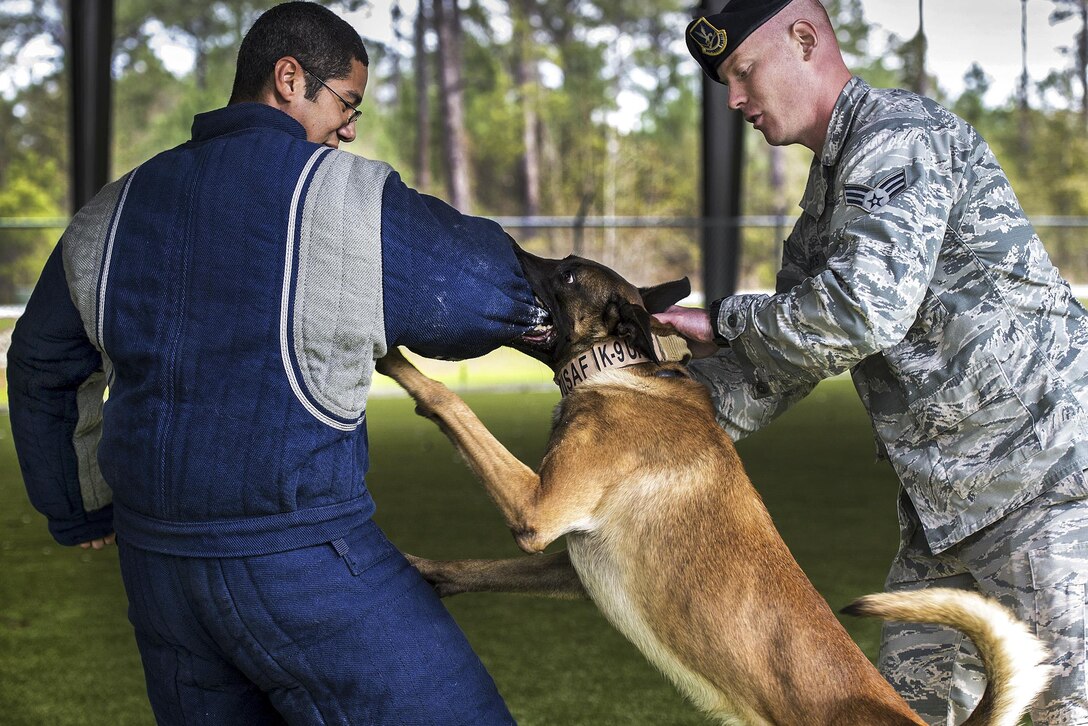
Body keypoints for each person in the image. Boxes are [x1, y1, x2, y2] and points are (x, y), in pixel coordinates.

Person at [6, 2, 543, 724]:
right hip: (301, 560)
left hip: (158, 573)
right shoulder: (345, 196)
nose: (349, 128)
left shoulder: (111, 208)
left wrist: (77, 507)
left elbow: (42, 366)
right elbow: (474, 293)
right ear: (290, 79)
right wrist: (593, 308)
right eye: (345, 104)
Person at [659, 0, 1088, 723]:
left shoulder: (899, 139)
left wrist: (726, 317)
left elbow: (859, 313)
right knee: (896, 715)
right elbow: (777, 366)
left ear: (803, 38)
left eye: (742, 71)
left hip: (1047, 487)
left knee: (1062, 710)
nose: (734, 99)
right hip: (949, 515)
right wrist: (649, 402)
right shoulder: (826, 200)